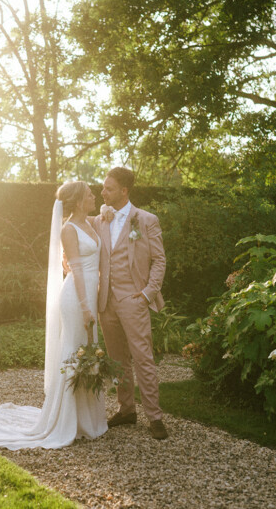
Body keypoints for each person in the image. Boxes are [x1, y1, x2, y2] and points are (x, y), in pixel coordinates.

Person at [0, 181, 107, 449]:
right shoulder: (68, 229)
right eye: (89, 194)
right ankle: (65, 421)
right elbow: (76, 269)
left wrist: (106, 211)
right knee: (74, 352)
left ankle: (87, 420)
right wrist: (86, 307)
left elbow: (103, 215)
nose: (94, 196)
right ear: (78, 201)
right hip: (76, 297)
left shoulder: (90, 223)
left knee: (89, 351)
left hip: (89, 294)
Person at [88, 167, 168, 439]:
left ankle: (154, 417)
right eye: (102, 188)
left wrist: (148, 293)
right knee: (117, 360)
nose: (103, 192)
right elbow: (74, 225)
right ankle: (126, 410)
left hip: (133, 299)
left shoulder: (145, 220)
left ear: (124, 190)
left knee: (143, 357)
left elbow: (159, 260)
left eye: (108, 188)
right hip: (106, 301)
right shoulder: (100, 219)